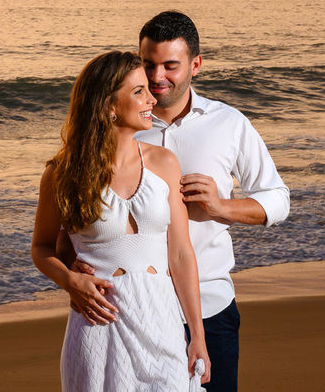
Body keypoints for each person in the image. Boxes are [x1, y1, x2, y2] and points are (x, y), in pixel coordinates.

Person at [72, 12, 290, 391]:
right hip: (129, 310)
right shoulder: (120, 126)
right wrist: (76, 263)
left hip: (208, 306)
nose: (157, 78)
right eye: (148, 65)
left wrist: (223, 206)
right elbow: (74, 220)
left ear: (196, 65)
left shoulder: (229, 124)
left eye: (170, 66)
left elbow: (277, 199)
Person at [32, 50, 211, 391]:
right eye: (138, 92)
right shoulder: (62, 173)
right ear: (109, 106)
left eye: (148, 89)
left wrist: (196, 335)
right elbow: (41, 248)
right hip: (99, 322)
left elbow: (181, 255)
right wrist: (70, 280)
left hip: (162, 322)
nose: (151, 100)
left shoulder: (164, 163)